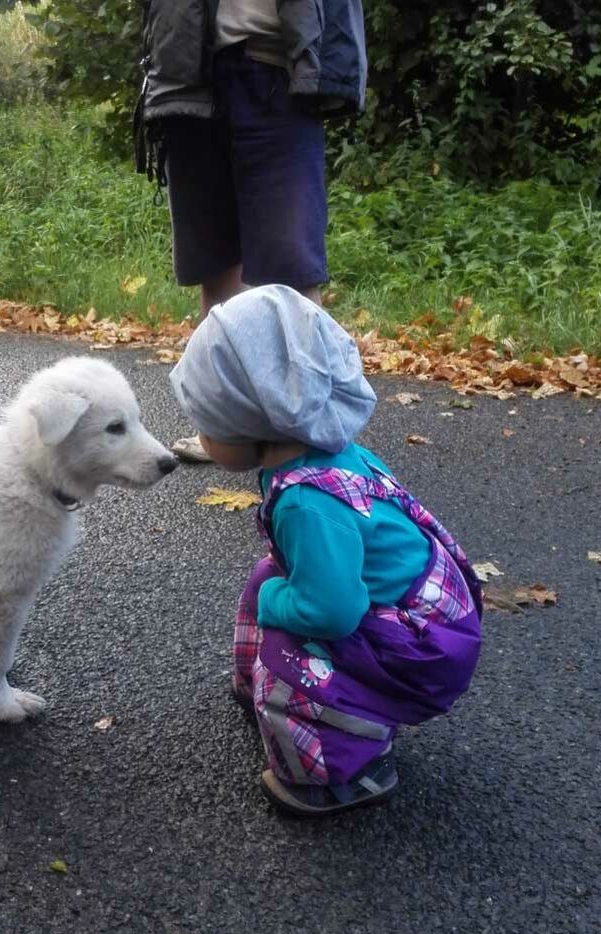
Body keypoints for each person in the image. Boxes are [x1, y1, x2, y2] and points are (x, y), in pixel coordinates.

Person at [169, 285, 484, 816]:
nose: (201, 438)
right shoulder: (323, 447)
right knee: (273, 577)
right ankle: (269, 689)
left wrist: (275, 603)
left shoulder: (306, 504)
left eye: (207, 423)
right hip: (424, 611)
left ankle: (343, 772)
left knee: (294, 645)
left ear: (252, 420)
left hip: (421, 646)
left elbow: (334, 611)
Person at [136, 0, 367, 460]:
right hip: (190, 73)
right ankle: (224, 432)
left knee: (292, 261)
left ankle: (310, 430)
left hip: (280, 67)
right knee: (214, 260)